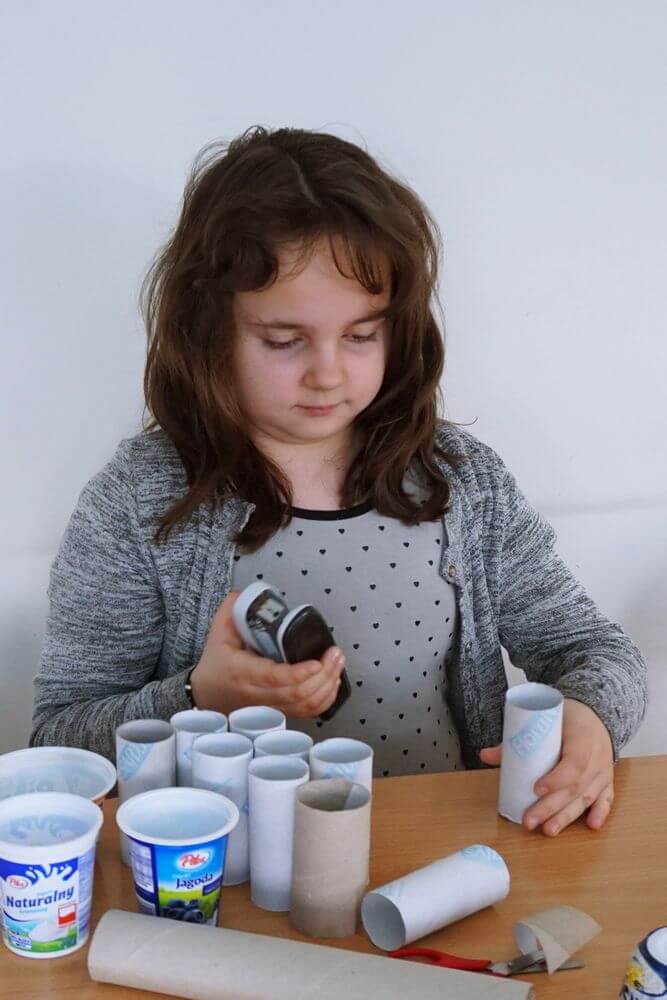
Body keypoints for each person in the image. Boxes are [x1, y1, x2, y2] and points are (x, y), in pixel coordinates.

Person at [31, 125, 647, 837]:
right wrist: (199, 698)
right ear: (208, 330)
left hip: (446, 859)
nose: (327, 373)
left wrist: (590, 717)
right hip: (229, 883)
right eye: (284, 341)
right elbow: (59, 743)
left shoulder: (463, 482)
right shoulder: (140, 500)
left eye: (361, 335)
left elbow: (594, 650)